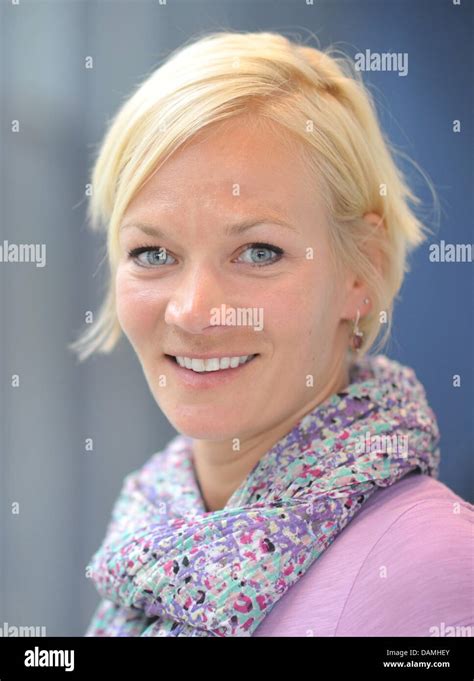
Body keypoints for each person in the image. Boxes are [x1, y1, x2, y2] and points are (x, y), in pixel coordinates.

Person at [71, 31, 473, 637]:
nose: (193, 311)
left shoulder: (432, 564)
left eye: (258, 251)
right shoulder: (147, 535)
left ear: (360, 271)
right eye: (153, 252)